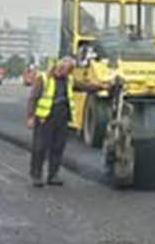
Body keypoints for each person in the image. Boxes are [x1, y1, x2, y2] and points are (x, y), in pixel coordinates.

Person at [24, 58, 104, 187]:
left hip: (62, 117)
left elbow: (84, 87)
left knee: (58, 147)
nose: (67, 73)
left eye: (69, 71)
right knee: (40, 148)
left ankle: (53, 175)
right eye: (66, 70)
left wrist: (101, 87)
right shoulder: (43, 79)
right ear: (59, 68)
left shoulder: (69, 80)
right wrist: (30, 117)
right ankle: (36, 176)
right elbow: (33, 98)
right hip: (45, 118)